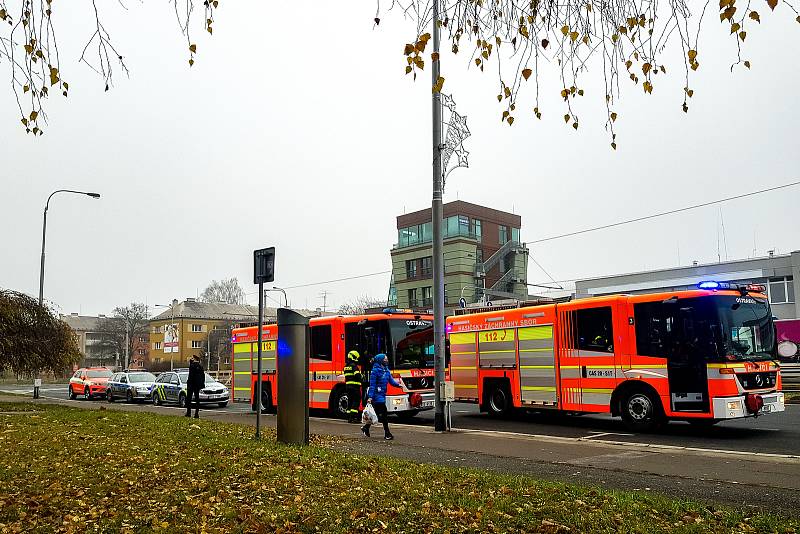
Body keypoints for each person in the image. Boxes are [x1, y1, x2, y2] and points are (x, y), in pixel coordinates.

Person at [361, 353, 401, 440]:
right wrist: (370, 397)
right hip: (376, 395)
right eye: (385, 359)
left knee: (375, 414)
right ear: (380, 360)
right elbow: (372, 385)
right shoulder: (375, 371)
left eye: (386, 358)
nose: (386, 360)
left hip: (382, 394)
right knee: (384, 414)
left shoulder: (386, 370)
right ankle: (387, 433)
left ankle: (366, 427)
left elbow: (391, 381)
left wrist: (398, 385)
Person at [343, 350, 363, 423]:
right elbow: (358, 376)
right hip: (355, 387)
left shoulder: (346, 367)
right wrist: (362, 376)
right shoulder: (354, 366)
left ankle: (349, 417)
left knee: (350, 401)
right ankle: (353, 417)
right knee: (356, 401)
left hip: (348, 386)